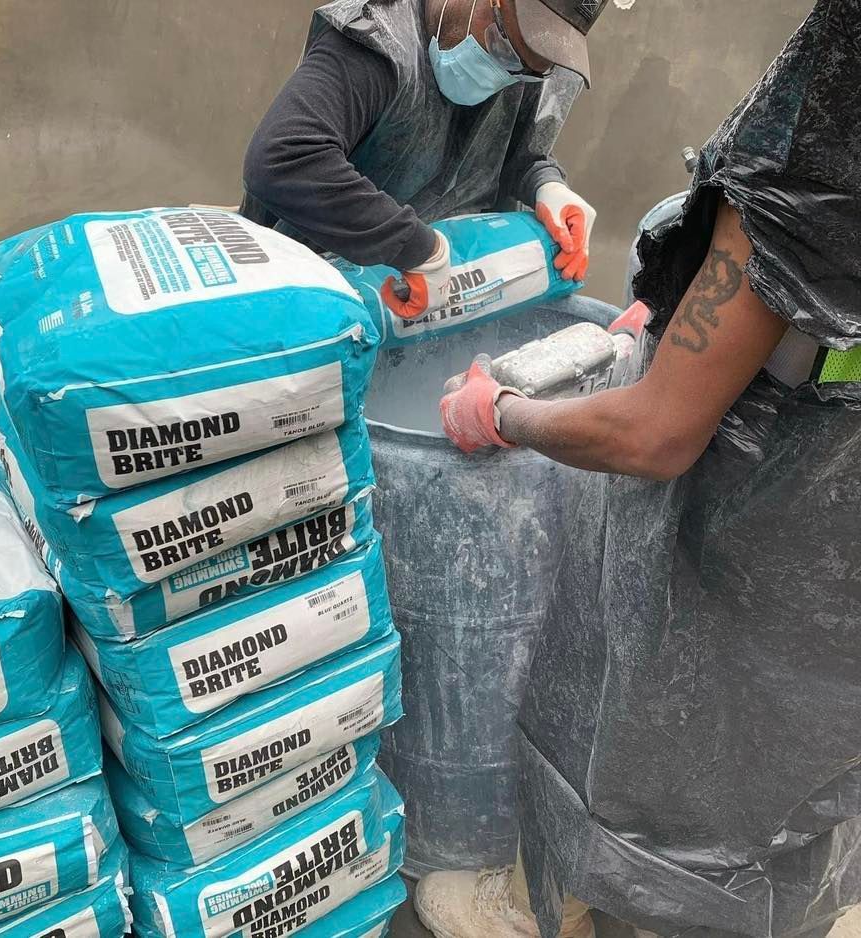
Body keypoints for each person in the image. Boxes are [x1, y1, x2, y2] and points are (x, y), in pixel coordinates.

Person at [420, 1, 861, 937]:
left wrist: (499, 411)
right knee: (797, 761)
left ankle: (587, 902)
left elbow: (655, 437)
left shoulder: (816, 154)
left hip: (749, 533)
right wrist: (680, 325)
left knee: (659, 735)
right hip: (838, 539)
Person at [241, 0, 608, 320]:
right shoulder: (377, 41)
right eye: (501, 46)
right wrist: (417, 248)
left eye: (528, 71)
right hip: (310, 291)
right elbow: (283, 157)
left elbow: (508, 151)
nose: (505, 73)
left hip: (430, 300)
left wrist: (545, 183)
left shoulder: (528, 60)